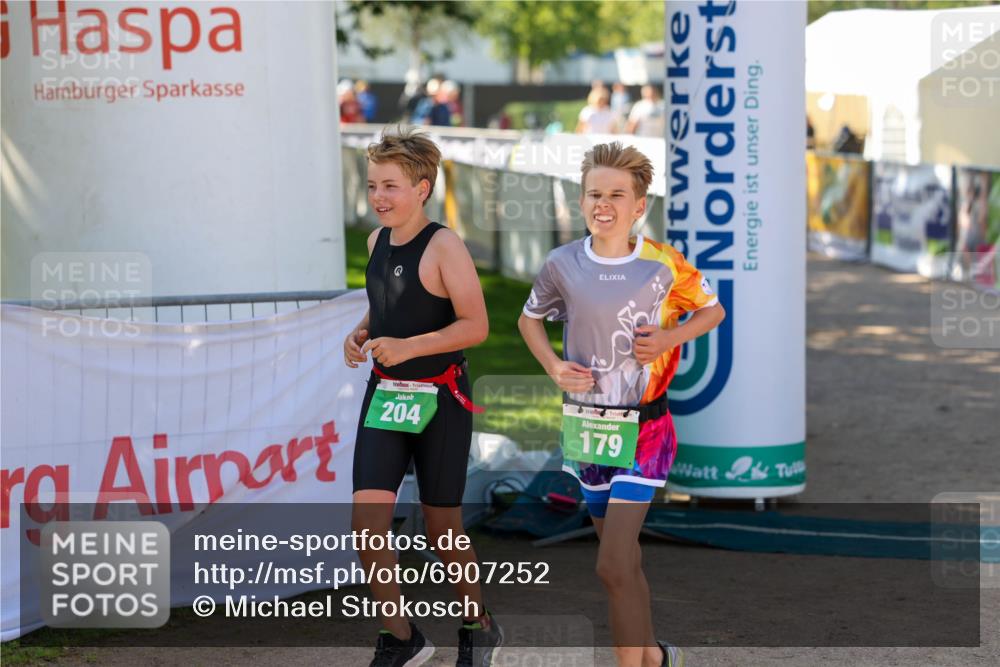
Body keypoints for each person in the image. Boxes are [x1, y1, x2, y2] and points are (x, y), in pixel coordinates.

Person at [517, 142, 725, 667]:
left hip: (646, 432)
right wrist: (552, 366)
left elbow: (713, 310)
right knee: (624, 564)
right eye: (593, 193)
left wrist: (669, 339)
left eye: (616, 194)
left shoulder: (661, 263)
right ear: (581, 200)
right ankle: (653, 657)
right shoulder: (561, 263)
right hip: (586, 429)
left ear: (638, 207)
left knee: (610, 565)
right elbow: (529, 319)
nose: (602, 203)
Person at [344, 127, 503, 667]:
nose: (380, 197)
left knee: (442, 531)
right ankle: (402, 635)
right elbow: (388, 302)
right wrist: (365, 330)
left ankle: (477, 624)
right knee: (366, 525)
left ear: (422, 187)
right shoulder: (374, 242)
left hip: (441, 400)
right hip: (387, 396)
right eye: (372, 187)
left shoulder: (444, 245)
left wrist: (408, 346)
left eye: (390, 186)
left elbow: (476, 325)